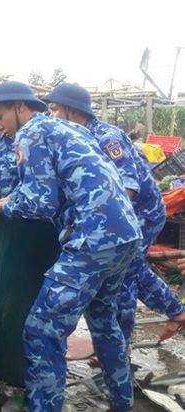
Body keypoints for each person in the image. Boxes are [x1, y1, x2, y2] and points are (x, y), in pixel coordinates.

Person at [0, 81, 141, 412]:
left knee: (41, 332)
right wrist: (8, 199)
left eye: (0, 115)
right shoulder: (66, 128)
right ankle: (124, 404)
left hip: (91, 240)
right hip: (123, 235)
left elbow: (40, 203)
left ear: (21, 107)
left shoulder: (30, 134)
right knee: (104, 322)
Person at [42, 83, 185, 344]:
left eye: (54, 110)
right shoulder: (75, 138)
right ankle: (176, 312)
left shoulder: (107, 138)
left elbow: (127, 188)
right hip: (114, 215)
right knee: (132, 267)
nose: (51, 117)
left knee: (123, 273)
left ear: (72, 112)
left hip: (140, 212)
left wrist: (103, 227)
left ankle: (122, 343)